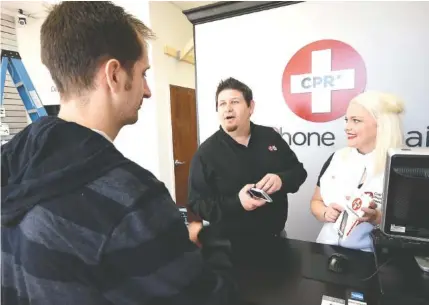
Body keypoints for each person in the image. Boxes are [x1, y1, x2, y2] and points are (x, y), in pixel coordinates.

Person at [1, 2, 237, 305]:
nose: (148, 90)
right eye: (143, 73)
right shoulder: (132, 197)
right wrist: (211, 243)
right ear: (113, 75)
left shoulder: (11, 168)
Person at [187, 77, 307, 249]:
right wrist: (237, 202)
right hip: (229, 248)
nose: (227, 108)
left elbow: (299, 172)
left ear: (251, 107)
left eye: (234, 102)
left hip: (275, 240)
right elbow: (197, 203)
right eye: (222, 104)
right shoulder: (205, 153)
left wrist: (281, 180)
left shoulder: (270, 137)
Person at [310, 91, 405, 252]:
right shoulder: (336, 158)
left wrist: (376, 218)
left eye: (356, 121)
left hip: (372, 257)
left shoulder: (399, 167)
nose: (347, 127)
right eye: (347, 120)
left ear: (381, 124)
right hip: (326, 250)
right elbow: (315, 202)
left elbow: (405, 226)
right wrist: (325, 212)